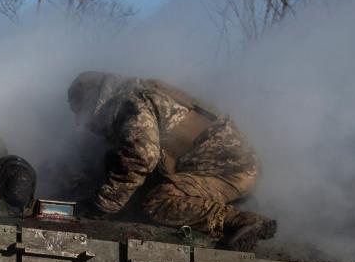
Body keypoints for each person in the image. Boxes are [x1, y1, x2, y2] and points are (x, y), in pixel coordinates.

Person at [67, 71, 276, 250]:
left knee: (158, 201)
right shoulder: (137, 93)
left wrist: (103, 205)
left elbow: (141, 157)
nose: (79, 122)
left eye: (79, 111)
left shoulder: (129, 103)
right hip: (226, 166)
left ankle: (241, 222)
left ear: (93, 101)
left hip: (228, 171)